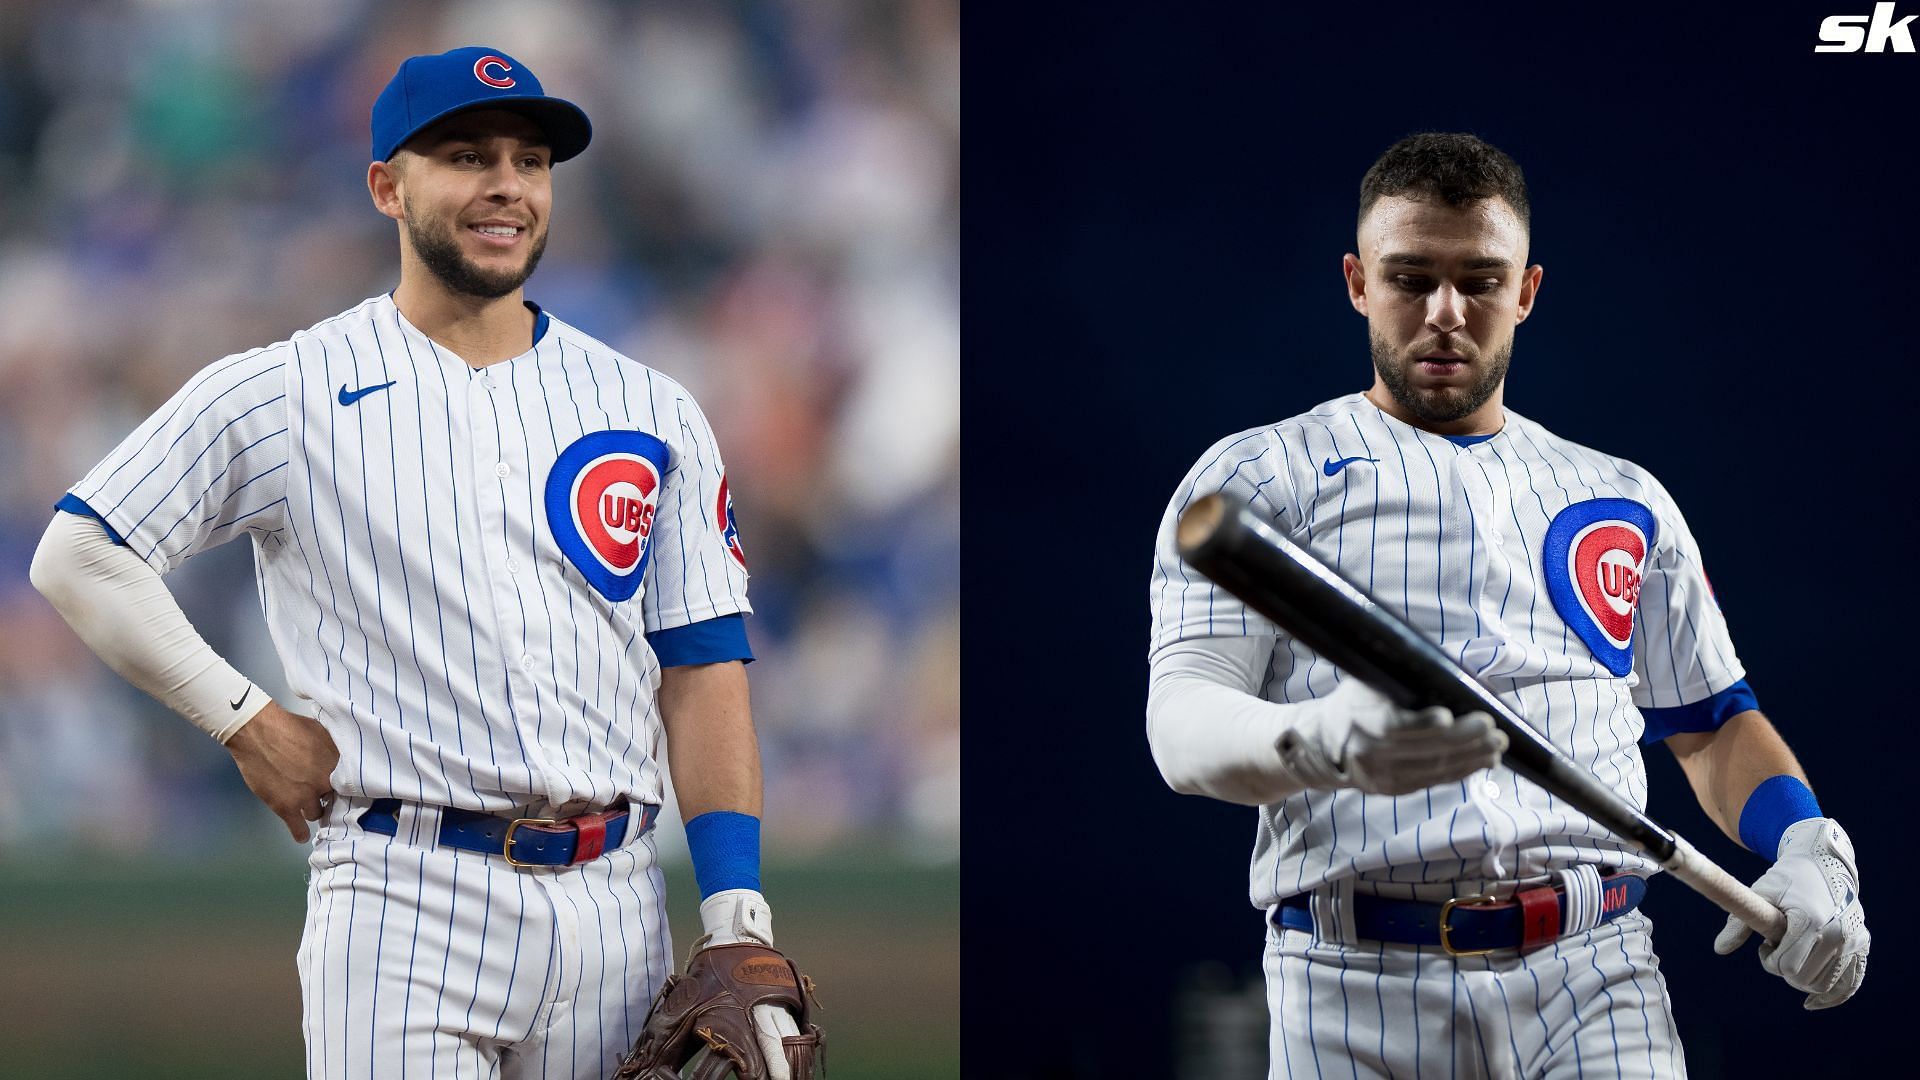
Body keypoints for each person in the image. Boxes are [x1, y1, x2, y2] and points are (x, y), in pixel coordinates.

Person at [30, 46, 808, 1080]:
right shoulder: (292, 389)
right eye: (466, 155)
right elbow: (81, 552)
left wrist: (735, 913)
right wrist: (244, 719)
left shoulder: (646, 404)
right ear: (387, 187)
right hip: (403, 900)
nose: (506, 185)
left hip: (616, 904)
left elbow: (703, 665)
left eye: (530, 161)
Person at [1145, 132, 1869, 1077]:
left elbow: (1713, 723)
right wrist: (1318, 739)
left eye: (1480, 281)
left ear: (1525, 291)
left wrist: (1808, 840)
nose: (1445, 312)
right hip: (1349, 981)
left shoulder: (1621, 495)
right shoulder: (1255, 478)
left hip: (1597, 972)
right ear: (1359, 283)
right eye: (1411, 278)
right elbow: (1181, 725)